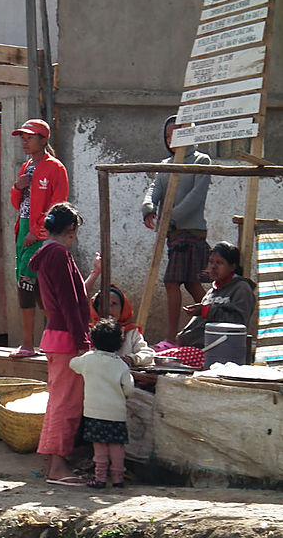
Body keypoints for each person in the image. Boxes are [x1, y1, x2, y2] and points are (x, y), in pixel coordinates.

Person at [27, 202, 91, 485]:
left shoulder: (44, 254)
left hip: (54, 336)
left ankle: (54, 463)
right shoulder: (59, 254)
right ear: (71, 230)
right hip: (66, 339)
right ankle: (57, 467)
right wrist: (82, 341)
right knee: (67, 405)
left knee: (58, 402)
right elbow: (70, 302)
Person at [142, 114, 211, 350]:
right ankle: (214, 324)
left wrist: (170, 218)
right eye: (168, 136)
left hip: (190, 233)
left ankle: (171, 338)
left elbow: (196, 198)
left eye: (177, 135)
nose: (172, 140)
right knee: (192, 283)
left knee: (173, 281)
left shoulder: (202, 161)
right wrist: (148, 208)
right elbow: (154, 189)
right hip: (173, 234)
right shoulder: (165, 165)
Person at [9, 119, 68, 358]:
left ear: (44, 139)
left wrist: (38, 233)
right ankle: (28, 343)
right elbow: (17, 204)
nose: (25, 141)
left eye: (30, 137)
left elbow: (59, 208)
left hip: (42, 236)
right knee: (26, 285)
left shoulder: (55, 168)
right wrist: (17, 186)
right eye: (22, 137)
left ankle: (58, 339)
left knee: (41, 287)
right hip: (23, 231)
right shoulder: (26, 168)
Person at [70, 318, 134, 489]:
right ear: (119, 343)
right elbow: (129, 389)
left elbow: (72, 364)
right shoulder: (121, 365)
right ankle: (118, 478)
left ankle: (100, 478)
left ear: (94, 340)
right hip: (116, 414)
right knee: (116, 447)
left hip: (94, 413)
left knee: (99, 448)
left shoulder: (88, 359)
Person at [176, 241, 256, 349]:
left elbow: (238, 322)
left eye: (219, 263)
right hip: (196, 347)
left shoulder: (241, 289)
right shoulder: (211, 292)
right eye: (211, 262)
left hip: (220, 349)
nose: (213, 267)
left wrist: (206, 311)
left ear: (232, 267)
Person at [90, 286, 155, 367]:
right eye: (104, 304)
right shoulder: (90, 331)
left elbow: (148, 354)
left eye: (114, 304)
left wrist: (132, 359)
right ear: (96, 308)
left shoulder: (132, 332)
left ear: (122, 308)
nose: (109, 309)